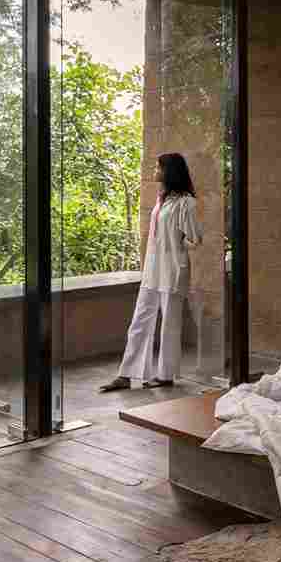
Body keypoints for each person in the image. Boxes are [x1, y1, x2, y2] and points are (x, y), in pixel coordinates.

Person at [100, 152, 202, 391]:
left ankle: (165, 375)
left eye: (158, 167)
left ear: (169, 171)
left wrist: (177, 245)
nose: (154, 171)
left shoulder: (186, 202)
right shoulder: (162, 199)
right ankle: (127, 374)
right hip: (152, 270)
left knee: (170, 323)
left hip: (173, 269)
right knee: (140, 320)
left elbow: (196, 239)